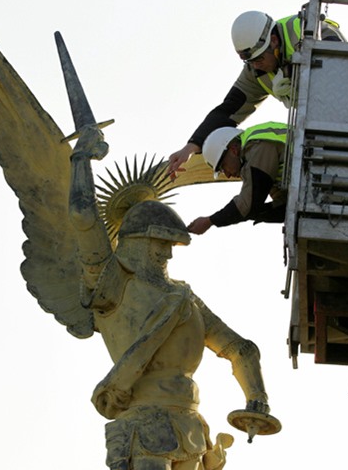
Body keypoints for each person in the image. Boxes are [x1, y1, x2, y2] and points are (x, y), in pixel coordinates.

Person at [68, 124, 281, 470]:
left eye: (171, 247)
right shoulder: (111, 285)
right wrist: (81, 158)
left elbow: (241, 349)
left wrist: (256, 399)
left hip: (193, 430)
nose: (167, 255)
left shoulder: (184, 298)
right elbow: (82, 217)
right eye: (160, 245)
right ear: (136, 243)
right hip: (142, 427)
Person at [168, 10, 345, 179]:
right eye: (250, 62)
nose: (256, 66)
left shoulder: (304, 28)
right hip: (325, 125)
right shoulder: (255, 72)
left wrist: (296, 73)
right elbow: (228, 110)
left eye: (259, 59)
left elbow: (343, 63)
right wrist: (191, 147)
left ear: (274, 41)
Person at [187, 121, 288, 235]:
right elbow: (285, 205)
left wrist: (210, 221)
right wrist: (259, 214)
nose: (228, 175)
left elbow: (247, 205)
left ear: (233, 150)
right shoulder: (259, 155)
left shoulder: (256, 146)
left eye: (223, 167)